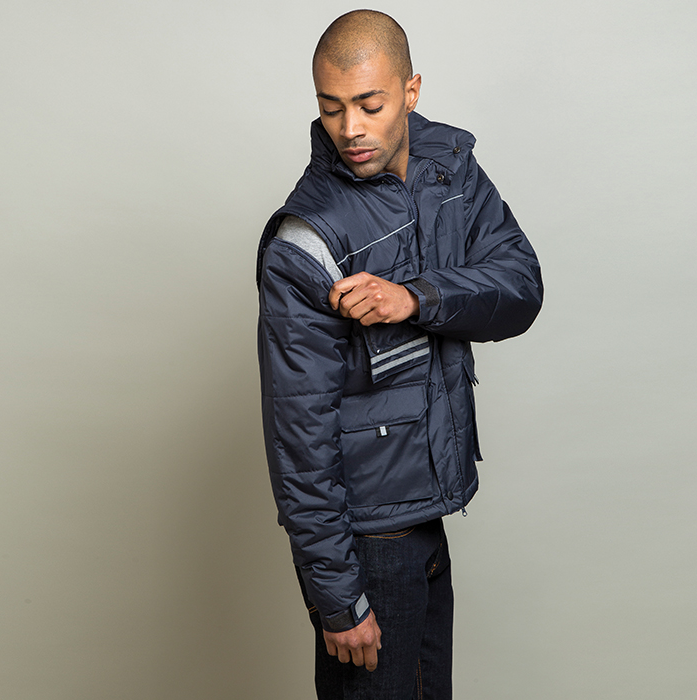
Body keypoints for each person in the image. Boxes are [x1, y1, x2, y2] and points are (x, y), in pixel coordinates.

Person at [256, 10, 543, 699]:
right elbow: (299, 434)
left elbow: (520, 286)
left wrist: (417, 297)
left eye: (369, 104)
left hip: (426, 517)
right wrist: (338, 598)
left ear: (411, 91)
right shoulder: (307, 239)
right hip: (367, 543)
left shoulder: (449, 171)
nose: (350, 128)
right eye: (331, 108)